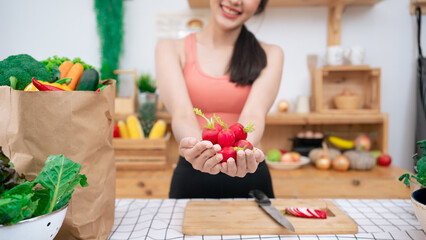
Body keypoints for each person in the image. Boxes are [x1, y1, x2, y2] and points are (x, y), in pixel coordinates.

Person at [155, 0, 283, 198]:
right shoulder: (170, 48)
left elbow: (254, 114)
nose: (235, 1)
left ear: (260, 4)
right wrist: (200, 150)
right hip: (193, 168)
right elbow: (182, 114)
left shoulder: (271, 54)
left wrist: (240, 153)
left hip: (248, 169)